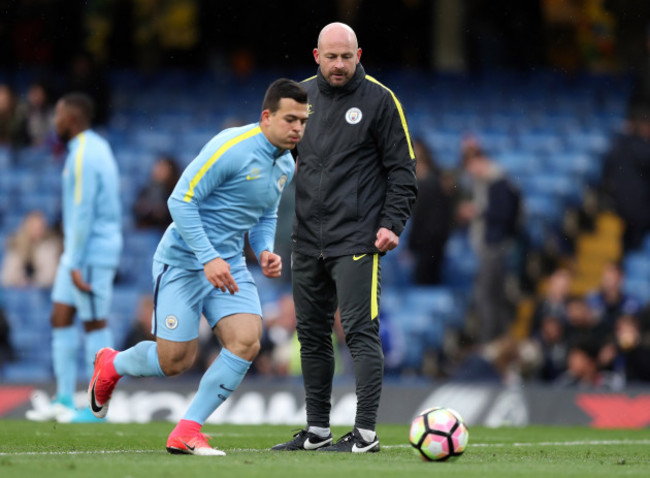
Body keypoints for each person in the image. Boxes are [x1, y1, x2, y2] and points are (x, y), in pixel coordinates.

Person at [87, 79, 308, 456]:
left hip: (229, 264)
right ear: (266, 116)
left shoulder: (286, 162)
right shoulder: (231, 147)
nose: (298, 129)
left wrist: (265, 249)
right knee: (175, 361)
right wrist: (208, 258)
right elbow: (180, 201)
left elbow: (264, 213)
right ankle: (112, 364)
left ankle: (187, 430)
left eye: (303, 121)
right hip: (185, 260)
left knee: (247, 339)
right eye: (290, 119)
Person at [272, 23, 417, 453]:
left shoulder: (380, 100)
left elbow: (403, 171)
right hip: (306, 241)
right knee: (312, 336)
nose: (339, 65)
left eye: (346, 57)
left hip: (357, 240)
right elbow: (276, 158)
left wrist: (392, 223)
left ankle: (366, 434)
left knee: (359, 332)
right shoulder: (297, 99)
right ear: (316, 55)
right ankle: (317, 431)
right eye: (331, 57)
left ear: (359, 54)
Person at [25, 93, 122, 423]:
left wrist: (76, 260)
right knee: (60, 317)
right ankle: (64, 399)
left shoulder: (83, 154)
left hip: (90, 251)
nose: (55, 122)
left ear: (72, 118)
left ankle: (98, 410)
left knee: (95, 323)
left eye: (58, 115)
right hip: (80, 251)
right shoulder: (95, 146)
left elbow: (83, 211)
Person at [457, 141, 521, 344]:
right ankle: (498, 338)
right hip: (491, 244)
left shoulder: (496, 181)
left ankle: (490, 339)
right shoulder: (486, 183)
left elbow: (503, 214)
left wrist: (477, 211)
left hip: (495, 245)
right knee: (493, 294)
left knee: (487, 294)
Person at [407, 139, 453, 285]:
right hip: (425, 240)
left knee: (427, 278)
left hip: (431, 240)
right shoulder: (419, 181)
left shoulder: (434, 181)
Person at [1, 210, 62, 287]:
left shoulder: (50, 246)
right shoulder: (16, 245)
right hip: (19, 291)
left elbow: (50, 276)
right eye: (34, 226)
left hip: (42, 293)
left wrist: (33, 281)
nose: (37, 230)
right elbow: (6, 276)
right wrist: (20, 280)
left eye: (40, 227)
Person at [133, 155, 181, 231]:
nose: (158, 170)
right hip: (148, 229)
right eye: (158, 167)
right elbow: (137, 211)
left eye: (162, 168)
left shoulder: (175, 192)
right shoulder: (146, 189)